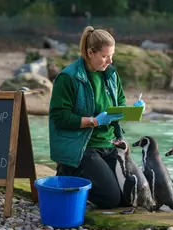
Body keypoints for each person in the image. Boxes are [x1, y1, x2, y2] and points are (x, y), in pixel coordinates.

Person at [49, 26, 145, 209]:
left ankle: (84, 177)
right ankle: (68, 171)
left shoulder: (111, 74)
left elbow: (120, 103)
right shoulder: (68, 78)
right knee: (110, 199)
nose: (110, 61)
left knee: (130, 197)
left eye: (112, 55)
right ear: (90, 52)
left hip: (109, 145)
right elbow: (59, 117)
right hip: (83, 147)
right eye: (104, 56)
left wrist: (133, 110)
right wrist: (94, 121)